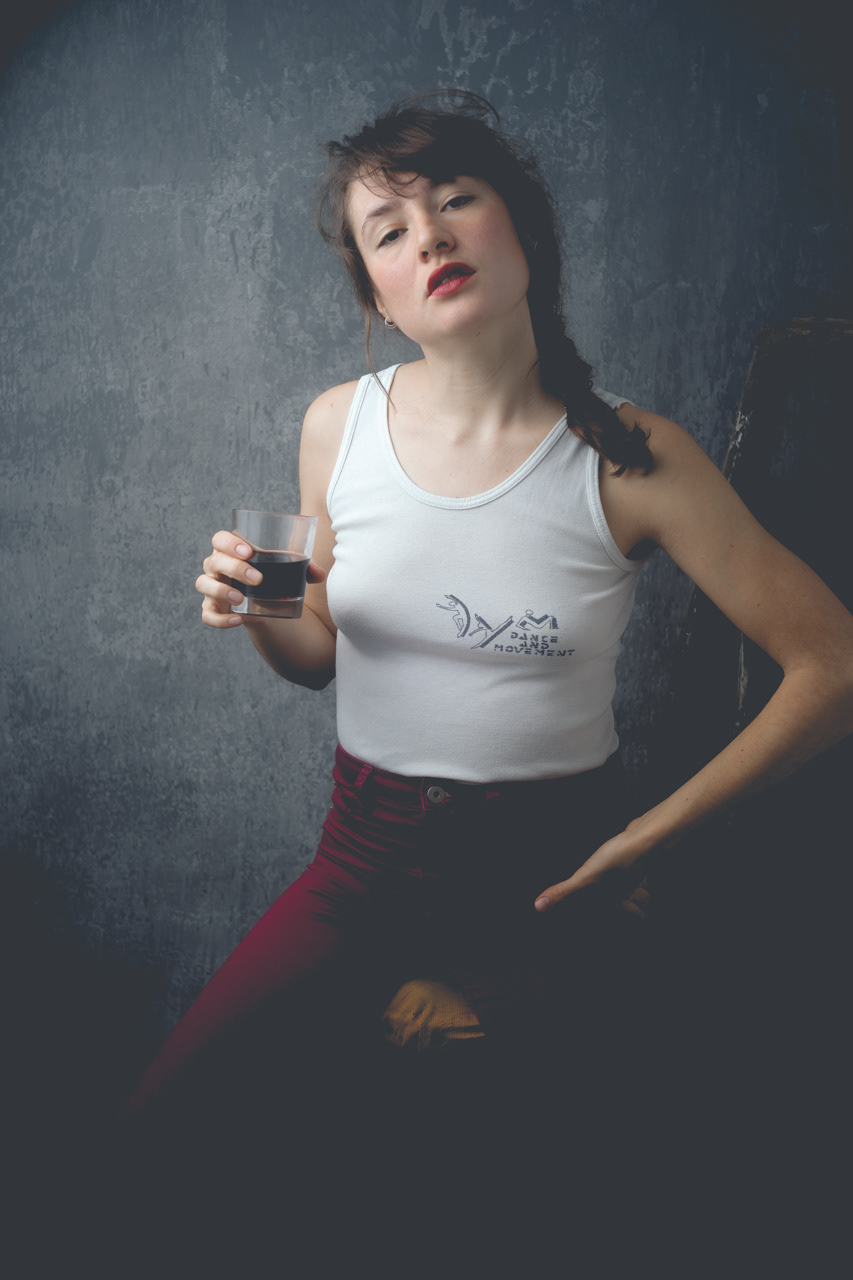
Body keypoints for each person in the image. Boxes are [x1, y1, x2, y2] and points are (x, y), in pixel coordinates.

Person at [121, 89, 853, 1262]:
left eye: (456, 198)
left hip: (551, 883)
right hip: (358, 862)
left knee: (513, 1205)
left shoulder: (632, 457)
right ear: (376, 293)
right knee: (173, 1132)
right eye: (389, 230)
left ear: (525, 230)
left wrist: (645, 840)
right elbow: (316, 656)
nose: (430, 237)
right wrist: (255, 608)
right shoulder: (335, 426)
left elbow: (833, 661)